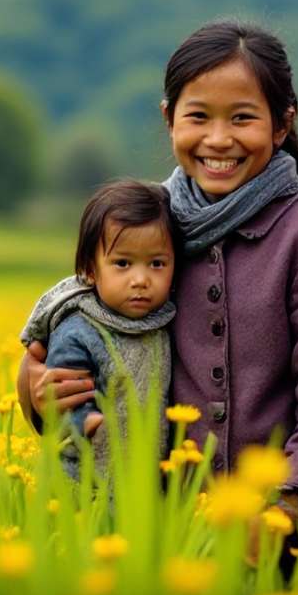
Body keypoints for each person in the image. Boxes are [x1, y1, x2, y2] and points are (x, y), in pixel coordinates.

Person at [20, 21, 298, 521]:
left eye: (242, 118)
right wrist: (35, 388)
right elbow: (74, 326)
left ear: (282, 124)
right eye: (198, 116)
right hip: (156, 522)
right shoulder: (145, 228)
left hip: (272, 527)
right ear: (169, 119)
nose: (218, 140)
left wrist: (286, 505)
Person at [19, 179, 178, 480]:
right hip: (85, 480)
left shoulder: (166, 320)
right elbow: (63, 380)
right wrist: (83, 419)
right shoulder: (79, 327)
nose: (140, 279)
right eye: (122, 263)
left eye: (157, 264)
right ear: (91, 270)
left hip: (145, 481)